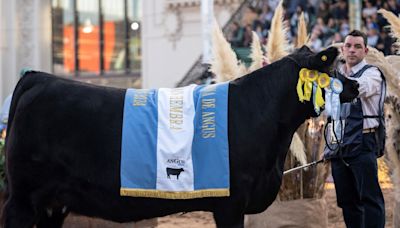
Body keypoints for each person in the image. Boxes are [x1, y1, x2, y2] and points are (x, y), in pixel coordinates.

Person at [329, 30, 386, 228]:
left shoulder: (372, 73)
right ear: (343, 49)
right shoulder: (336, 75)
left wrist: (329, 79)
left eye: (357, 46)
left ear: (366, 50)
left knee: (369, 199)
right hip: (338, 145)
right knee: (347, 201)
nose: (352, 50)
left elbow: (356, 88)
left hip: (363, 143)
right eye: (348, 46)